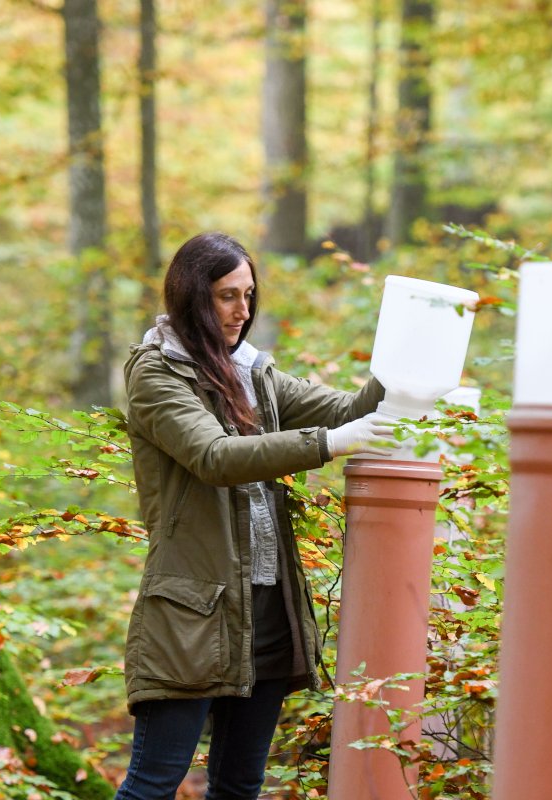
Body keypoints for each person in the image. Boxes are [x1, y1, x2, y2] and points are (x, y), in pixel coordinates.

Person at [114, 232, 394, 800]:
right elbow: (215, 457)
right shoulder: (156, 373)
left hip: (267, 608)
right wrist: (330, 444)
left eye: (248, 294)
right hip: (192, 611)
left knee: (240, 785)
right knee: (153, 785)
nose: (242, 311)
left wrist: (406, 358)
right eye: (226, 296)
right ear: (192, 297)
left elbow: (348, 409)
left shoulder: (252, 372)